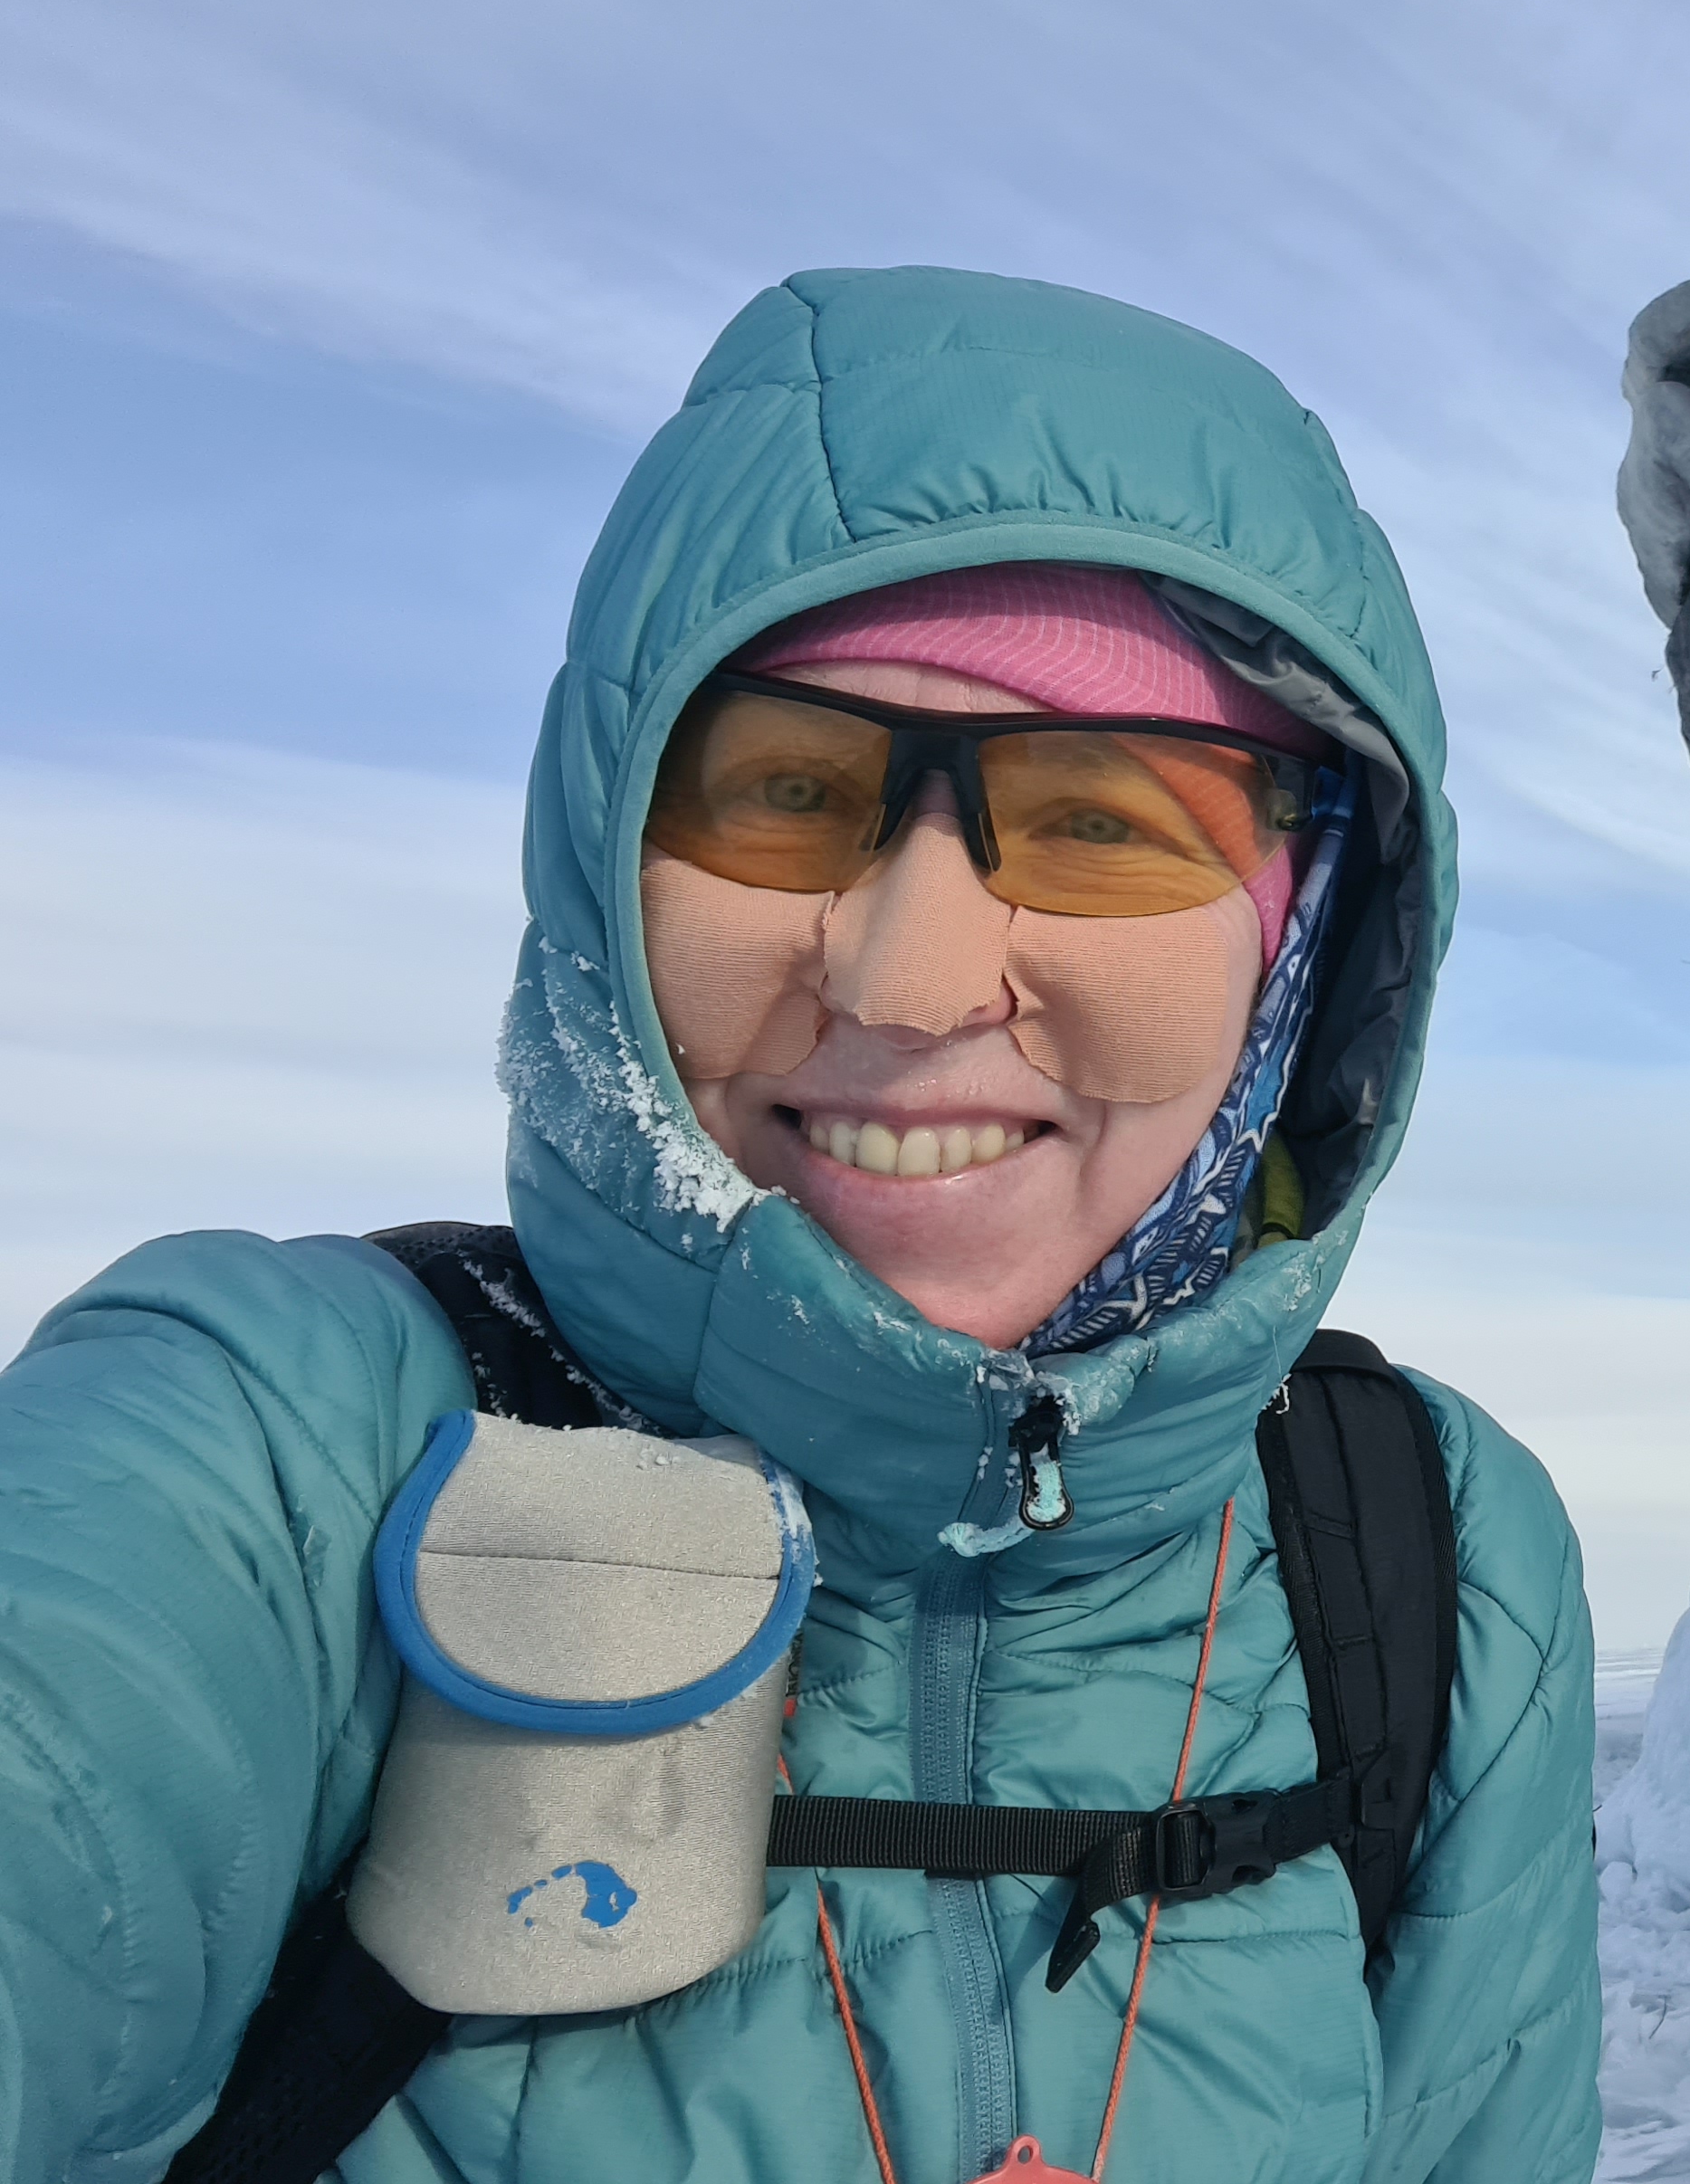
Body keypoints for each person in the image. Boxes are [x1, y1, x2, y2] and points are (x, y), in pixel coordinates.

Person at [0, 268, 1602, 2182]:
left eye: (1099, 821)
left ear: (1307, 941)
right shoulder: (280, 1458)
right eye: (783, 792)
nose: (908, 982)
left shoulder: (1429, 1560)